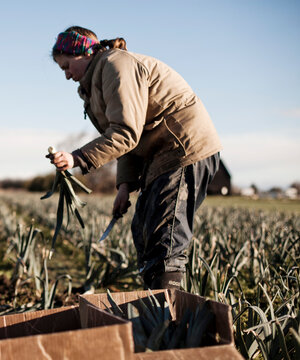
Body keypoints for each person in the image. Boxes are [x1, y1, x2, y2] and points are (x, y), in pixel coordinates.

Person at [48, 26, 221, 289]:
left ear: (83, 52)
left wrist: (77, 158)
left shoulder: (114, 66)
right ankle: (156, 310)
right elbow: (126, 139)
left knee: (165, 237)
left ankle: (170, 319)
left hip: (182, 148)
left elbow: (126, 133)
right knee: (144, 232)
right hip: (160, 153)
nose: (67, 75)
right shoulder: (96, 81)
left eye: (67, 66)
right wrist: (125, 187)